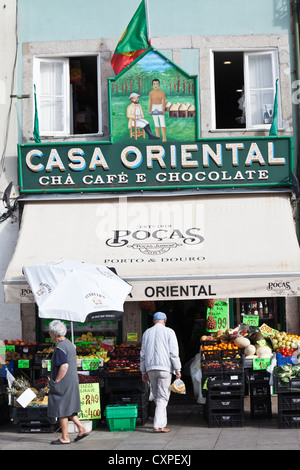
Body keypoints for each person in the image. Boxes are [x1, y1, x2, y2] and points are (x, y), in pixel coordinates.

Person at [47, 320, 89, 445]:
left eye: (50, 333)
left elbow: (64, 366)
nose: (49, 335)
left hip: (64, 381)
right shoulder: (70, 344)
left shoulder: (60, 347)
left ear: (54, 333)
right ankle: (81, 428)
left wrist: (57, 380)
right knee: (67, 407)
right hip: (71, 380)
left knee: (61, 408)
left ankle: (65, 437)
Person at [140, 311, 181, 433]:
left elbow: (142, 354)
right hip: (164, 369)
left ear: (153, 321)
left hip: (150, 368)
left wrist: (143, 371)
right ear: (165, 321)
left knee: (158, 396)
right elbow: (174, 353)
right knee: (162, 398)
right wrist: (177, 369)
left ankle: (160, 424)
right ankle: (158, 425)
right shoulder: (169, 332)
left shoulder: (147, 333)